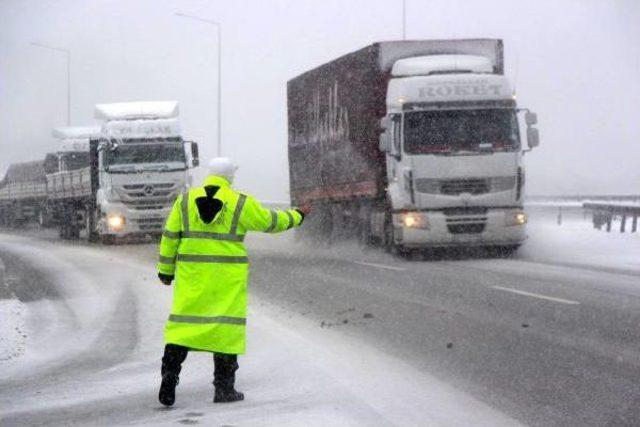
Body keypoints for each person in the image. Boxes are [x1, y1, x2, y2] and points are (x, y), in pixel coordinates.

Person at [156, 157, 309, 406]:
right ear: (230, 177)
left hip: (192, 278)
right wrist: (298, 216)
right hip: (227, 279)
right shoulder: (240, 203)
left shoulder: (184, 201)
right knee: (225, 332)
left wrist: (165, 272)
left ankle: (169, 380)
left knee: (182, 328)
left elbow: (170, 237)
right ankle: (224, 389)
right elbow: (271, 222)